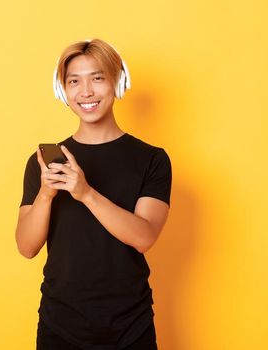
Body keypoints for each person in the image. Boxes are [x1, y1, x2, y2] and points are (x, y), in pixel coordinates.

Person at [15, 38, 172, 350]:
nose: (85, 92)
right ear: (63, 90)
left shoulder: (152, 159)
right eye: (74, 81)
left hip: (131, 326)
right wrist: (46, 194)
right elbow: (26, 246)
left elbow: (144, 237)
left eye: (97, 78)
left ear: (118, 82)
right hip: (60, 325)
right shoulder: (44, 163)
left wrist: (85, 192)